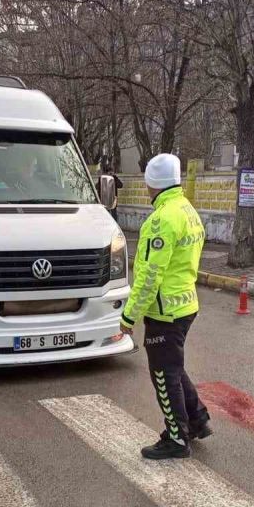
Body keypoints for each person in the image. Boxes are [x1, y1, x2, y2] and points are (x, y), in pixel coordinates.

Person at [120, 153, 210, 459]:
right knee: (174, 366)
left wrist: (129, 316)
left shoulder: (160, 220)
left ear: (151, 184)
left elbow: (148, 276)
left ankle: (176, 438)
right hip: (186, 305)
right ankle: (197, 419)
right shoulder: (188, 210)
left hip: (164, 311)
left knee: (163, 374)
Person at [97, 160, 123, 225]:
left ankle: (114, 226)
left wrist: (115, 177)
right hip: (104, 200)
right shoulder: (102, 179)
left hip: (113, 200)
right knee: (106, 214)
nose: (110, 173)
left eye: (112, 172)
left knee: (114, 214)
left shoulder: (114, 178)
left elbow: (120, 185)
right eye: (110, 172)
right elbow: (98, 188)